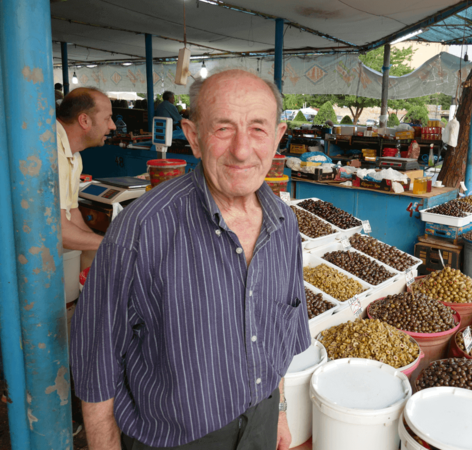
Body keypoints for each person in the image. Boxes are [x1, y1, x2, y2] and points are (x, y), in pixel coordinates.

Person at [71, 69, 310, 450]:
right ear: (194, 137)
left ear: (278, 137)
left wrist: (278, 409)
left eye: (258, 129)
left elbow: (277, 336)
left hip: (260, 423)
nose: (243, 149)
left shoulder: (285, 225)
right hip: (176, 439)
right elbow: (95, 365)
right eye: (223, 128)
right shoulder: (142, 229)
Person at [56, 87, 116, 250]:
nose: (113, 126)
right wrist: (115, 246)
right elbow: (57, 231)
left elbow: (72, 213)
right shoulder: (52, 152)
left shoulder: (74, 155)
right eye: (108, 118)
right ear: (84, 121)